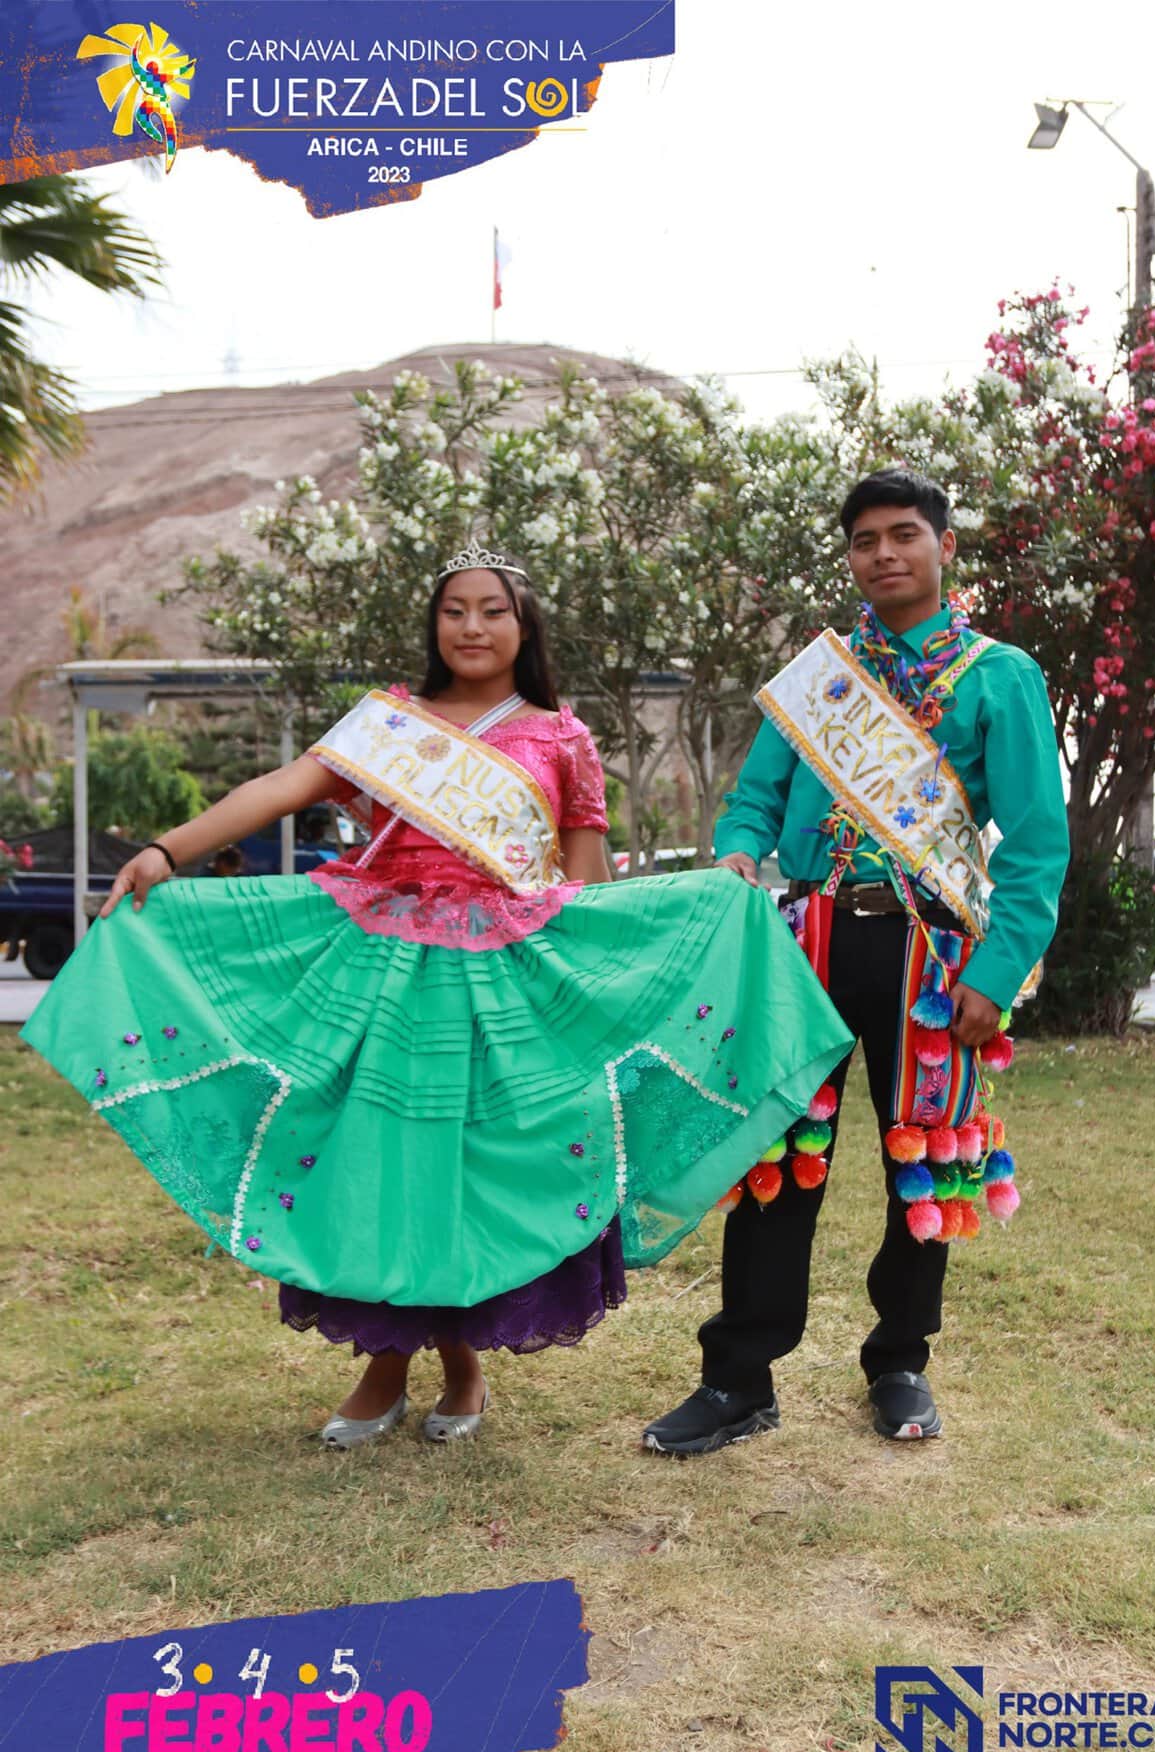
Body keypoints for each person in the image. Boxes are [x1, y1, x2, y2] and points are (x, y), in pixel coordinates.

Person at [23, 541, 852, 1449]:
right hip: (384, 973)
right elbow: (280, 786)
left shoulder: (561, 738)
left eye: (493, 610)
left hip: (499, 987)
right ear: (433, 625)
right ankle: (385, 1366)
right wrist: (167, 850)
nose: (471, 626)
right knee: (378, 1160)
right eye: (454, 610)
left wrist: (623, 964)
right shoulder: (388, 722)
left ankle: (462, 1366)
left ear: (524, 627)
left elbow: (584, 885)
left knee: (471, 1170)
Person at [643, 468, 1070, 1456]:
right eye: (865, 540)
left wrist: (996, 974)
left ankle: (901, 1361)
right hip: (807, 942)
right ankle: (738, 1377)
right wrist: (739, 854)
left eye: (904, 534)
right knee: (776, 1155)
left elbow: (1038, 842)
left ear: (944, 546)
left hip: (934, 956)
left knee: (924, 1158)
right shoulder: (819, 677)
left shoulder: (1000, 676)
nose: (884, 554)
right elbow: (755, 799)